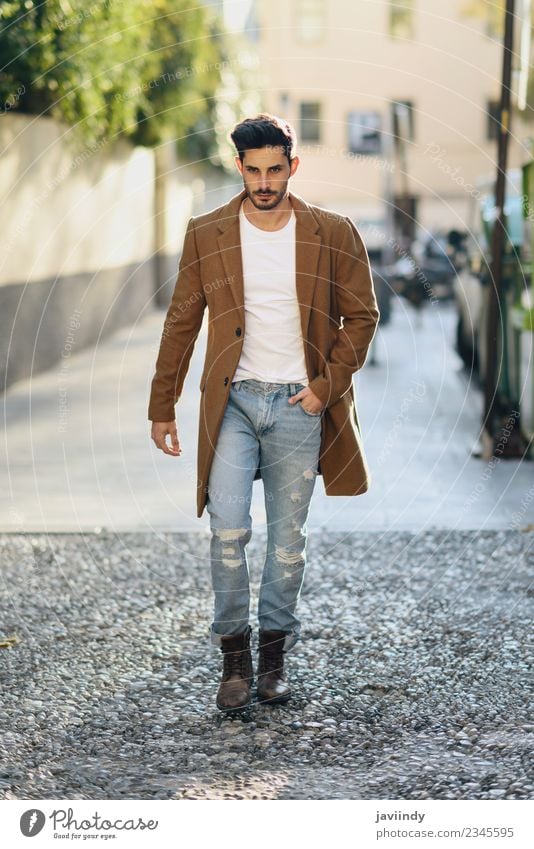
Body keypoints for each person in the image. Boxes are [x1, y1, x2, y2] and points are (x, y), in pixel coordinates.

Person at [148, 114, 380, 712]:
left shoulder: (332, 231)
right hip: (233, 401)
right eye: (254, 171)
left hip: (299, 404)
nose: (265, 182)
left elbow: (362, 317)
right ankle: (233, 660)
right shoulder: (208, 232)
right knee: (227, 531)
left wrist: (325, 388)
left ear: (292, 167)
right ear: (240, 169)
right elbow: (182, 320)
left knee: (286, 542)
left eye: (276, 169)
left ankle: (274, 656)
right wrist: (162, 404)